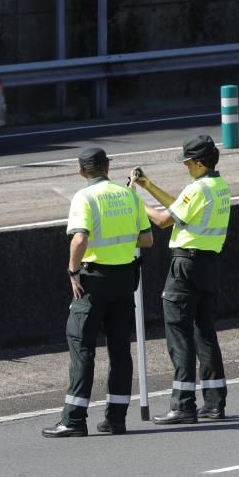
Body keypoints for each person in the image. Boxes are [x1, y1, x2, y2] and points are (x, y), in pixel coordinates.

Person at [42, 148, 153, 438]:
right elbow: (147, 238)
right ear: (107, 167)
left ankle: (74, 420)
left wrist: (72, 271)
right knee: (120, 350)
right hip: (125, 280)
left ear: (82, 172)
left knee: (82, 348)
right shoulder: (129, 195)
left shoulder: (85, 197)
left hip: (93, 281)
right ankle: (116, 419)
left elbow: (79, 239)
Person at [131, 135, 231, 424]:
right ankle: (214, 403)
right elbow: (179, 210)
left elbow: (163, 221)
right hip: (209, 264)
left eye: (188, 163)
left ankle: (183, 404)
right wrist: (148, 186)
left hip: (185, 264)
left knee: (179, 334)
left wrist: (135, 202)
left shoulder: (198, 188)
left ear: (199, 163)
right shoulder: (219, 186)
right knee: (205, 333)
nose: (186, 167)